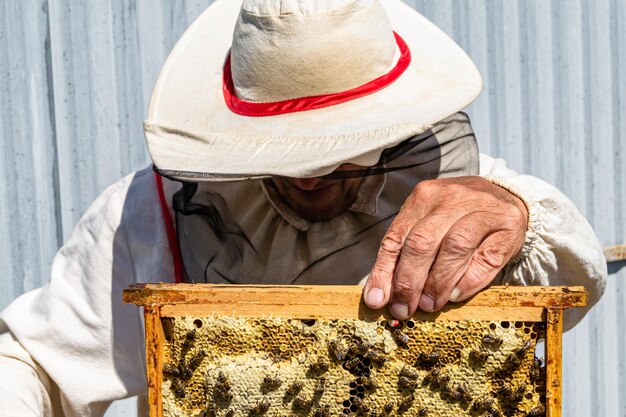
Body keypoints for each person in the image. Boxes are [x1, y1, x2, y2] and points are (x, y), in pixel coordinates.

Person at [0, 1, 606, 416]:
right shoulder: (144, 215)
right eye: (288, 153)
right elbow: (36, 364)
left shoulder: (455, 195)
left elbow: (576, 274)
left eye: (340, 149)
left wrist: (515, 211)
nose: (312, 176)